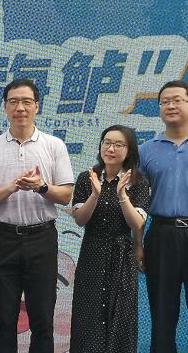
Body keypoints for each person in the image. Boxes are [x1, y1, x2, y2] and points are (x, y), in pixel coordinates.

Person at [0, 79, 74, 353]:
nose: (20, 108)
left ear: (37, 106)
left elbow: (66, 195)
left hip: (42, 238)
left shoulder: (54, 145)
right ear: (5, 107)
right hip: (4, 238)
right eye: (13, 102)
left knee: (42, 319)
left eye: (26, 102)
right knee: (3, 319)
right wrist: (11, 187)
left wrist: (41, 187)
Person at [139, 80, 188, 353]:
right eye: (164, 102)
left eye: (177, 100)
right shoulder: (146, 150)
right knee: (162, 312)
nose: (170, 106)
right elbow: (138, 201)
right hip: (161, 235)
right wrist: (138, 244)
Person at [69, 125, 149, 353]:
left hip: (122, 255)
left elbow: (136, 224)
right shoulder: (87, 178)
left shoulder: (138, 182)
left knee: (120, 316)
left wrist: (122, 195)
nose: (111, 149)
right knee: (88, 315)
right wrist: (95, 195)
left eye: (118, 145)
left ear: (129, 150)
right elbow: (80, 220)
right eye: (107, 143)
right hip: (92, 255)